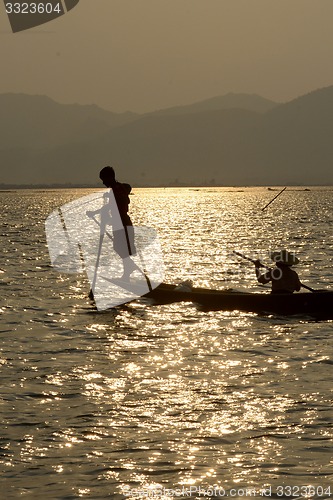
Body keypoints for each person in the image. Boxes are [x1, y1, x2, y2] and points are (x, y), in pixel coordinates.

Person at [87, 166, 137, 280]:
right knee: (120, 247)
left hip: (122, 222)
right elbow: (128, 187)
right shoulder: (118, 188)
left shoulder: (115, 189)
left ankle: (128, 269)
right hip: (121, 222)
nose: (103, 183)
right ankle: (127, 272)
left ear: (110, 178)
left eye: (104, 180)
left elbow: (109, 206)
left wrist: (93, 213)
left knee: (120, 247)